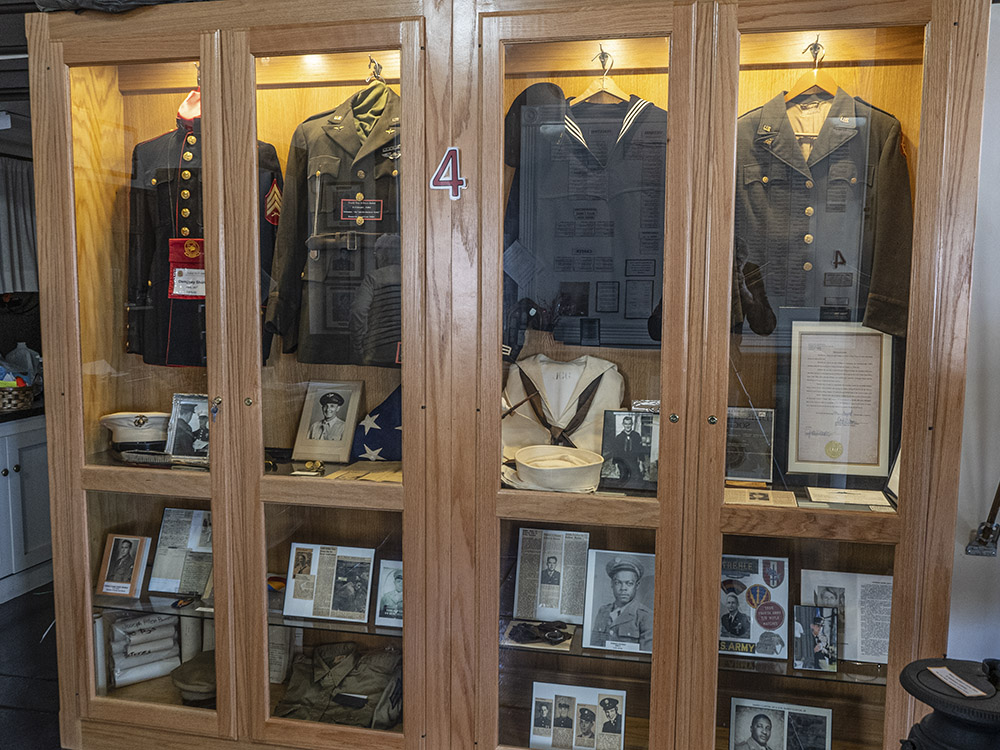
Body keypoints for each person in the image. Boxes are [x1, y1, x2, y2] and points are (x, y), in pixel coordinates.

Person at [591, 557, 653, 651]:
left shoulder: (645, 616)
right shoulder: (603, 611)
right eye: (618, 583)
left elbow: (645, 655)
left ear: (637, 585)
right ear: (612, 584)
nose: (623, 588)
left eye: (629, 583)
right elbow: (593, 647)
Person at [611, 415, 645, 480]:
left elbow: (640, 450)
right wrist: (616, 467)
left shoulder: (636, 436)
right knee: (623, 479)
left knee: (637, 479)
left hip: (633, 461)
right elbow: (616, 453)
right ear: (623, 424)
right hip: (622, 462)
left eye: (629, 424)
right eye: (626, 424)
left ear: (632, 424)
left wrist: (641, 464)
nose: (627, 426)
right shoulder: (619, 437)